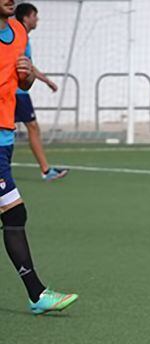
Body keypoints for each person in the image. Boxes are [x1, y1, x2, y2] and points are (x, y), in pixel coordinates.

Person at [0, 0, 77, 314]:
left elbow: (24, 81)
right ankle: (37, 293)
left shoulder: (19, 31)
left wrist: (28, 75)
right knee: (14, 213)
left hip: (6, 134)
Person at [14, 2, 68, 181]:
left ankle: (46, 169)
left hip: (18, 92)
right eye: (35, 16)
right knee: (31, 127)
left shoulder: (22, 37)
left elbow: (28, 66)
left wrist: (46, 81)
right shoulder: (15, 35)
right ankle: (45, 170)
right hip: (13, 92)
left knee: (31, 127)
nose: (37, 19)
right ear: (27, 18)